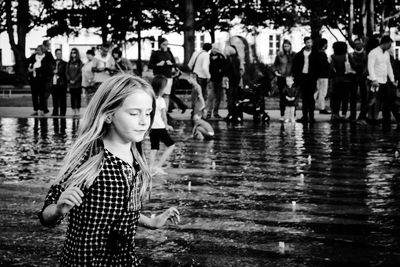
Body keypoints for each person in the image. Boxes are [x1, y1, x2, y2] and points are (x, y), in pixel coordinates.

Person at [38, 74, 180, 266]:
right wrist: (58, 210)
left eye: (147, 113)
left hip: (124, 260)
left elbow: (123, 212)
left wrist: (152, 222)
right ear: (109, 115)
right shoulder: (89, 161)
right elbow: (47, 218)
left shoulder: (136, 159)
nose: (144, 121)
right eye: (134, 113)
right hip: (85, 260)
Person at [367, 35, 400, 129]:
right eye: (389, 45)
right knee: (372, 101)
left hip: (384, 81)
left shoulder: (386, 54)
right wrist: (374, 80)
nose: (390, 47)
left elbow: (388, 67)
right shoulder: (373, 53)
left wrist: (392, 80)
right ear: (384, 43)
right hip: (375, 81)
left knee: (389, 101)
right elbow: (370, 67)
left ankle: (388, 120)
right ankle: (366, 118)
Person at [149, 75, 176, 176]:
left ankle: (151, 168)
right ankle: (158, 166)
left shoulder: (150, 99)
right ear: (161, 88)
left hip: (151, 127)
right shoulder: (161, 100)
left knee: (154, 147)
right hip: (160, 127)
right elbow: (164, 116)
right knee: (171, 145)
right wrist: (167, 125)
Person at [292, 36, 319, 124]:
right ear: (305, 43)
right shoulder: (300, 54)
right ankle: (305, 116)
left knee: (311, 98)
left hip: (311, 78)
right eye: (308, 42)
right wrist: (296, 78)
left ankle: (311, 117)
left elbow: (319, 66)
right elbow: (295, 67)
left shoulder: (315, 54)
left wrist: (316, 76)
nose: (309, 44)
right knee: (304, 98)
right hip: (303, 77)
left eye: (311, 42)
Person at [330, 41, 357, 122]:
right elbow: (354, 65)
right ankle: (344, 114)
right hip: (347, 80)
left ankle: (335, 114)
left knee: (336, 98)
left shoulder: (333, 56)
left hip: (337, 80)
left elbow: (331, 68)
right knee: (345, 98)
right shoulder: (347, 55)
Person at [148, 37, 176, 110]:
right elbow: (150, 65)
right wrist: (158, 64)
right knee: (158, 94)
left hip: (168, 76)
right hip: (158, 76)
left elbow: (175, 64)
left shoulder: (169, 52)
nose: (166, 46)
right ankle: (156, 110)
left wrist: (171, 63)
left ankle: (165, 111)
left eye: (167, 44)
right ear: (160, 44)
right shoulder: (155, 53)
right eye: (164, 44)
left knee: (166, 95)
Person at [27, 45, 53, 116]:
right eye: (36, 50)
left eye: (38, 50)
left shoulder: (46, 57)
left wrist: (35, 70)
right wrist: (30, 70)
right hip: (33, 79)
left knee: (42, 95)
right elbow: (27, 62)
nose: (37, 51)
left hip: (42, 79)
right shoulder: (34, 56)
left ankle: (42, 110)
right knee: (34, 95)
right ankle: (36, 109)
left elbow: (46, 68)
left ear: (42, 50)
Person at [273, 39, 296, 121]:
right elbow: (275, 65)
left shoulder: (294, 55)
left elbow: (296, 66)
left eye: (288, 46)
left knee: (292, 96)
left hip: (291, 78)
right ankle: (282, 114)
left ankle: (293, 115)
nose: (286, 48)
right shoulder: (280, 55)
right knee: (283, 96)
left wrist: (294, 75)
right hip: (282, 78)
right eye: (285, 46)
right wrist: (276, 72)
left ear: (290, 46)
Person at [351, 38, 369, 124]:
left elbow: (367, 65)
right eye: (356, 44)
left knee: (364, 96)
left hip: (363, 76)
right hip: (354, 77)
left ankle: (362, 115)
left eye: (359, 43)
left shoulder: (366, 54)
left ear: (362, 44)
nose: (357, 45)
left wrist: (363, 74)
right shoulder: (351, 54)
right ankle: (352, 114)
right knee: (353, 96)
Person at [223, 45, 242, 123]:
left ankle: (230, 114)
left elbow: (225, 69)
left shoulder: (228, 60)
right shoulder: (237, 59)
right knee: (235, 97)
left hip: (229, 80)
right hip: (236, 80)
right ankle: (236, 114)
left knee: (230, 97)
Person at [205, 45, 226, 119]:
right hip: (211, 79)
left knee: (218, 97)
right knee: (210, 96)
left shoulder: (221, 57)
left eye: (216, 49)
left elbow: (225, 67)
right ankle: (208, 112)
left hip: (219, 79)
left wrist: (222, 72)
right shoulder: (207, 57)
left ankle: (216, 112)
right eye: (214, 48)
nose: (215, 50)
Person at [314, 38, 331, 115]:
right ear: (324, 45)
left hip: (318, 75)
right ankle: (322, 108)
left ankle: (310, 106)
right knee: (322, 92)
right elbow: (325, 65)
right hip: (323, 75)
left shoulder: (317, 53)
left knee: (317, 91)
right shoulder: (322, 53)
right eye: (326, 43)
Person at [66, 48, 83, 117]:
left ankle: (78, 110)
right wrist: (69, 79)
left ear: (77, 54)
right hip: (71, 84)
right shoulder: (69, 62)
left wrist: (75, 80)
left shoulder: (79, 62)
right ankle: (73, 110)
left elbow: (80, 72)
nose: (73, 54)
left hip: (78, 83)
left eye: (75, 53)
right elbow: (66, 72)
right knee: (72, 97)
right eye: (72, 53)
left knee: (78, 97)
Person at [51, 48, 68, 116]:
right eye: (58, 53)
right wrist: (53, 72)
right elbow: (48, 72)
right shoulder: (52, 63)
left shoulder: (65, 63)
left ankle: (62, 112)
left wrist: (58, 72)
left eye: (60, 53)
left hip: (62, 83)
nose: (59, 55)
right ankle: (55, 112)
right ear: (55, 54)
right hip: (54, 83)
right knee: (55, 99)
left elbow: (65, 73)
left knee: (63, 99)